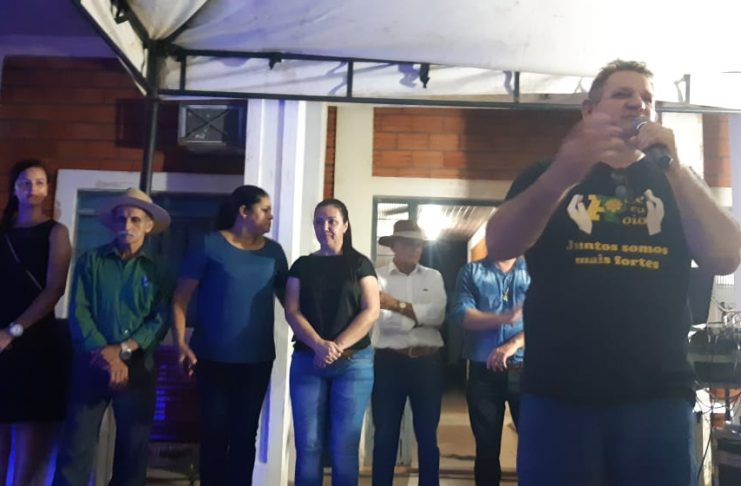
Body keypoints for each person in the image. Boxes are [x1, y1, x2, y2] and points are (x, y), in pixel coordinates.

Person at [486, 59, 741, 486]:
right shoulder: (548, 175)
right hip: (559, 395)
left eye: (647, 98)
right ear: (589, 110)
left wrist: (676, 169)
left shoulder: (678, 181)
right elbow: (499, 245)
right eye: (622, 94)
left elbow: (726, 257)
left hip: (656, 397)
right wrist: (563, 174)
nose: (637, 103)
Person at [53, 188, 171, 486]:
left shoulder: (159, 268)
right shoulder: (90, 261)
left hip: (138, 364)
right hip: (91, 361)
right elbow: (79, 309)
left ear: (148, 225)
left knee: (133, 450)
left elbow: (160, 317)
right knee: (76, 447)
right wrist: (105, 354)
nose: (127, 225)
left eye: (135, 219)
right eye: (121, 219)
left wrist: (123, 351)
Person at [172, 185, 288, 486]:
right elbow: (180, 298)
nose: (271, 216)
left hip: (256, 360)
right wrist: (180, 342)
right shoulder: (209, 245)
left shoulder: (274, 253)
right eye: (265, 210)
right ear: (244, 212)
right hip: (210, 358)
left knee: (245, 435)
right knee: (213, 434)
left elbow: (292, 303)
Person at [285, 198, 380, 486]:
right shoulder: (302, 265)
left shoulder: (360, 264)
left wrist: (335, 346)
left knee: (344, 446)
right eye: (318, 221)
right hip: (308, 361)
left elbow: (371, 310)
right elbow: (292, 310)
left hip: (354, 363)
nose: (324, 227)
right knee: (308, 445)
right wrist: (318, 345)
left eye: (331, 221)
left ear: (345, 225)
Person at [0, 159, 72, 486]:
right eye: (25, 183)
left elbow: (54, 289)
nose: (33, 189)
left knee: (30, 431)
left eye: (40, 183)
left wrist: (13, 330)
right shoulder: (4, 232)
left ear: (47, 189)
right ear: (14, 189)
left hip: (35, 338)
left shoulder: (56, 232)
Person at [371, 220, 447, 486]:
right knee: (384, 437)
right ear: (393, 246)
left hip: (427, 363)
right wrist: (418, 315)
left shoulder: (433, 277)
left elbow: (438, 316)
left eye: (418, 244)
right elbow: (382, 321)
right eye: (408, 243)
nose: (415, 249)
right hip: (388, 363)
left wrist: (396, 305)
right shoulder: (376, 277)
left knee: (427, 437)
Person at [451, 253, 529, 486]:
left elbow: (546, 319)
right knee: (486, 448)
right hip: (483, 373)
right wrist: (502, 318)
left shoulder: (533, 271)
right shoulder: (471, 272)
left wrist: (513, 344)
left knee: (534, 446)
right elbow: (462, 314)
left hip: (526, 372)